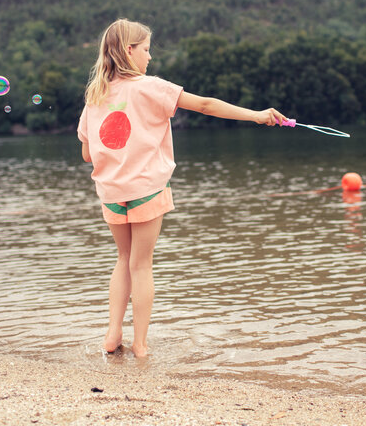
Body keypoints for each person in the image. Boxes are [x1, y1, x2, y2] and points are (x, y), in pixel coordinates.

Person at [77, 18, 285, 358]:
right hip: (146, 188)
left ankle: (111, 336)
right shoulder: (150, 87)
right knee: (141, 264)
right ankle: (141, 346)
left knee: (124, 259)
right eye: (146, 50)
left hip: (112, 194)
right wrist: (257, 115)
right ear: (129, 51)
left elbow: (87, 153)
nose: (149, 58)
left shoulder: (95, 95)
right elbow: (204, 105)